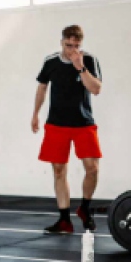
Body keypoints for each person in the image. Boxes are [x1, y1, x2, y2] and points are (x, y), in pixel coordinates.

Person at [32, 25, 102, 234]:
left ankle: (85, 209)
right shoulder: (51, 61)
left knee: (93, 169)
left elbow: (96, 89)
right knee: (59, 171)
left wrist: (80, 67)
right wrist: (35, 113)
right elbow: (42, 87)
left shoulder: (88, 59)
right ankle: (64, 220)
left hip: (83, 123)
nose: (72, 49)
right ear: (61, 41)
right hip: (57, 124)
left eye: (76, 46)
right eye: (68, 45)